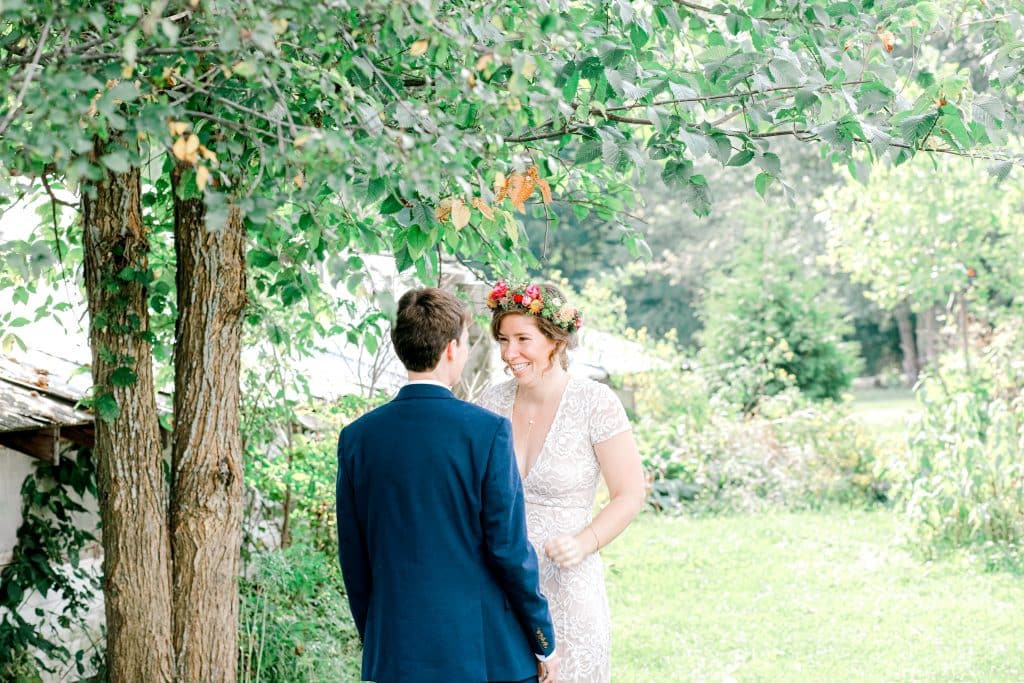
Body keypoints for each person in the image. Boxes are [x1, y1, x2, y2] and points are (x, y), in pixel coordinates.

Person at [336, 287, 561, 683]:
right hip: (485, 654)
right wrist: (543, 637)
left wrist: (379, 639)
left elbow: (354, 559)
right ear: (453, 348)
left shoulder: (357, 438)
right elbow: (508, 549)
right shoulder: (487, 432)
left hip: (396, 654)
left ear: (398, 346)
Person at [477, 280, 645, 683]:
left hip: (568, 583)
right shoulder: (488, 402)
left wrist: (584, 542)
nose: (509, 353)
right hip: (502, 586)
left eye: (522, 339)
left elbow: (630, 493)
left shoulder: (595, 403)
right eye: (503, 339)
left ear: (555, 341)